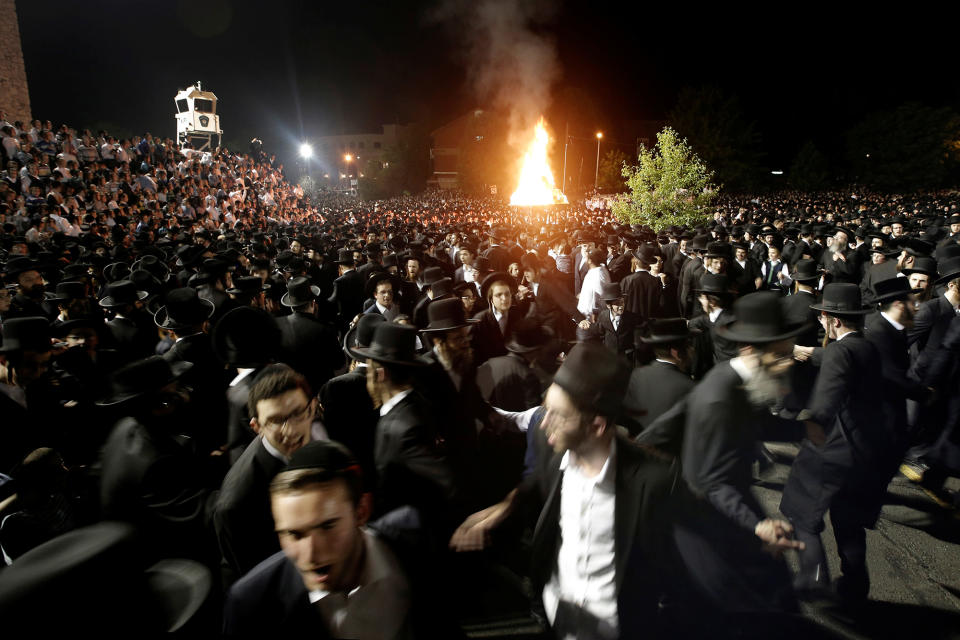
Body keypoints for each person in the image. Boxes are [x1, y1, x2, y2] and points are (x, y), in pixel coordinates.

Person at [451, 342, 695, 639]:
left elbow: (690, 571)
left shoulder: (655, 481)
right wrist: (503, 508)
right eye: (545, 410)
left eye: (558, 415)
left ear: (597, 425)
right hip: (559, 624)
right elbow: (536, 482)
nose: (544, 425)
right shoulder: (552, 451)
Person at [677, 292, 808, 613]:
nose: (787, 363)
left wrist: (806, 430)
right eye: (780, 355)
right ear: (750, 349)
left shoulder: (740, 381)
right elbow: (710, 482)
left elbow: (759, 422)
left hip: (731, 501)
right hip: (705, 521)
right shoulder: (719, 397)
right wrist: (757, 525)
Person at [223, 441, 417, 637]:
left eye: (327, 526)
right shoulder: (251, 605)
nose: (311, 554)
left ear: (361, 511)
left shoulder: (416, 538)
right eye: (293, 534)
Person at [780, 284, 897, 606]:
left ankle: (813, 581)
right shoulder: (867, 346)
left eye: (822, 318)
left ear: (833, 320)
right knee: (848, 522)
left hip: (833, 450)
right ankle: (855, 585)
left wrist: (801, 428)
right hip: (866, 450)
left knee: (802, 515)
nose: (820, 323)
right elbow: (845, 360)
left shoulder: (837, 352)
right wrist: (810, 352)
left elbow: (823, 406)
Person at [622, 317, 698, 438]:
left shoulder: (635, 376)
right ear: (676, 353)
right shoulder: (689, 388)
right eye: (689, 345)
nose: (693, 350)